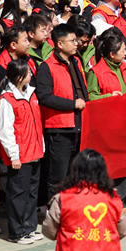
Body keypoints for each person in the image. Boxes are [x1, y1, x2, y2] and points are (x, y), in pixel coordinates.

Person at [36, 23, 89, 203]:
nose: (76, 44)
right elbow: (45, 97)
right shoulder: (47, 67)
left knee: (75, 173)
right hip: (60, 128)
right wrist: (72, 104)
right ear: (59, 44)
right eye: (72, 41)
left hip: (79, 125)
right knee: (58, 175)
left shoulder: (76, 62)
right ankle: (56, 213)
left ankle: (74, 208)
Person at [0, 57, 44, 244]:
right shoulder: (7, 100)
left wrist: (41, 146)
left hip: (35, 152)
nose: (31, 74)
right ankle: (16, 232)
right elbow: (5, 131)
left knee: (32, 192)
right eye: (28, 72)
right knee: (18, 194)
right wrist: (14, 155)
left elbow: (37, 124)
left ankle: (29, 227)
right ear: (19, 77)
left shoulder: (31, 94)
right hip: (20, 156)